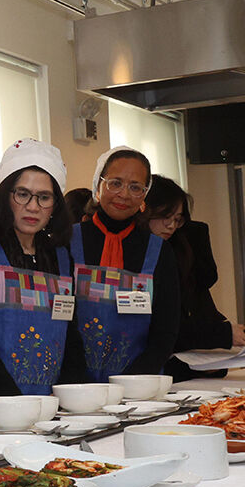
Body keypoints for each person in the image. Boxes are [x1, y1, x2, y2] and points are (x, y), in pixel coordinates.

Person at [0, 139, 78, 398]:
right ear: (4, 195)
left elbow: (71, 338)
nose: (33, 207)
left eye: (44, 197)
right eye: (22, 194)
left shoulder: (61, 256)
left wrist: (72, 399)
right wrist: (13, 403)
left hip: (52, 407)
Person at [70, 146, 181, 381]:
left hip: (139, 386)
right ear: (98, 186)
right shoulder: (67, 242)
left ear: (144, 195)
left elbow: (166, 330)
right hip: (75, 384)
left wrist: (131, 383)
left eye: (135, 187)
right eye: (115, 183)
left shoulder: (159, 251)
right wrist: (78, 381)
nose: (124, 194)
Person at [144, 175, 245, 381]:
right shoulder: (141, 258)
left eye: (177, 219)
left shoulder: (175, 251)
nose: (171, 225)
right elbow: (162, 330)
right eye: (165, 216)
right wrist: (222, 335)